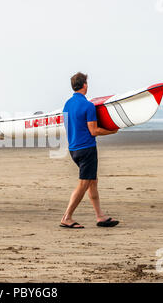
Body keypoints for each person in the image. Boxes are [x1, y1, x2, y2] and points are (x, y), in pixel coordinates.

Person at [61, 72, 119, 228]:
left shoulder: (67, 104)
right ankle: (67, 217)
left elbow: (69, 126)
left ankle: (100, 216)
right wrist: (112, 131)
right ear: (85, 85)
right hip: (87, 149)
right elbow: (94, 131)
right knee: (84, 183)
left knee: (92, 182)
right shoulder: (88, 106)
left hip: (73, 149)